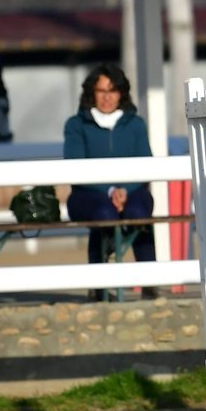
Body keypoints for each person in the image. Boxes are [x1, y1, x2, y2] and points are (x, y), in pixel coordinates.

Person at [63, 64, 156, 300]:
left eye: (112, 90)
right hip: (88, 194)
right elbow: (75, 168)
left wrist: (124, 190)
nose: (107, 96)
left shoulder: (136, 124)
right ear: (91, 93)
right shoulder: (76, 125)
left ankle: (151, 282)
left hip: (132, 190)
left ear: (121, 93)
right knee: (103, 213)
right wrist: (111, 191)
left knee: (139, 212)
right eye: (101, 90)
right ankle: (100, 286)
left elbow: (145, 165)